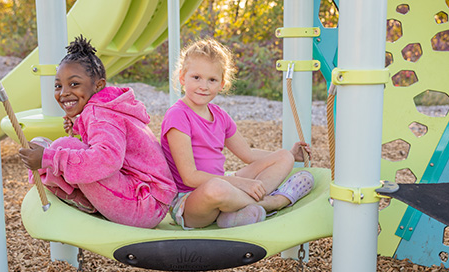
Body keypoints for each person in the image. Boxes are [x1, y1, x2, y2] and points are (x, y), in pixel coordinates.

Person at [18, 35, 177, 229]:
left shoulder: (100, 114)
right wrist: (79, 126)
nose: (64, 92)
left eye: (74, 84)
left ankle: (78, 197)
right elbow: (115, 138)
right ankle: (83, 198)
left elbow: (107, 158)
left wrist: (49, 159)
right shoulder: (106, 108)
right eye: (58, 85)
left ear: (98, 85)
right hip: (152, 199)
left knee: (64, 147)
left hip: (143, 204)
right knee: (56, 147)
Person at [161, 38, 314, 229]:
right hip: (190, 202)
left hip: (226, 186)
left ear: (222, 83)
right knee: (217, 188)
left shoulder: (220, 116)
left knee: (282, 156)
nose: (204, 86)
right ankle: (275, 202)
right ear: (182, 77)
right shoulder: (178, 116)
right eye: (196, 77)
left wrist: (291, 155)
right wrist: (240, 183)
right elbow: (190, 177)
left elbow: (248, 155)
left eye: (212, 80)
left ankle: (233, 213)